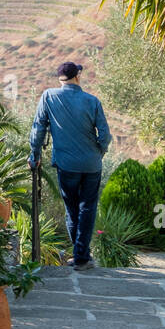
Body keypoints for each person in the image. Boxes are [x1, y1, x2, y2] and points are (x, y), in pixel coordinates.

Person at [29, 61, 111, 271]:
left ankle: (80, 255)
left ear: (59, 79)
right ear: (78, 76)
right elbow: (105, 135)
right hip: (91, 164)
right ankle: (82, 256)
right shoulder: (92, 101)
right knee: (87, 208)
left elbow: (38, 129)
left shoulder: (49, 96)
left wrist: (34, 154)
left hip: (66, 164)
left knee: (72, 209)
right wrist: (99, 152)